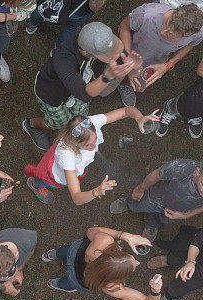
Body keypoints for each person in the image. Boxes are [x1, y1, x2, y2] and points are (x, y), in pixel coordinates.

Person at [22, 22, 140, 150]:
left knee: (81, 116)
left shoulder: (99, 40)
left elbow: (127, 62)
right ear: (85, 51)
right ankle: (32, 125)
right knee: (59, 123)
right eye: (105, 56)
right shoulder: (63, 58)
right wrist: (107, 76)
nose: (112, 56)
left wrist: (135, 66)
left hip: (84, 88)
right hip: (53, 93)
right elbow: (84, 93)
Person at [24, 108, 157, 206]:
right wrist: (96, 192)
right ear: (74, 143)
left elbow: (126, 111)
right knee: (48, 182)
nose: (94, 146)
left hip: (72, 168)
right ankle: (35, 184)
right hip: (55, 176)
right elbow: (76, 198)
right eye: (88, 145)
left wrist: (139, 118)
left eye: (95, 140)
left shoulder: (92, 122)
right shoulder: (67, 156)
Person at [42, 225, 164, 300]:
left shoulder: (104, 242)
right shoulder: (112, 287)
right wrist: (155, 290)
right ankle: (54, 284)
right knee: (68, 283)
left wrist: (123, 235)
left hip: (75, 253)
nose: (138, 262)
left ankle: (51, 255)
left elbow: (91, 231)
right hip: (78, 280)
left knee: (64, 251)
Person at [116, 3, 203, 107]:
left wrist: (168, 65)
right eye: (166, 23)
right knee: (112, 74)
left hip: (153, 63)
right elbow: (124, 27)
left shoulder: (198, 34)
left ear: (187, 35)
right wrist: (128, 58)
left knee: (138, 82)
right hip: (128, 53)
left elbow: (190, 45)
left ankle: (125, 84)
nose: (162, 32)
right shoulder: (146, 14)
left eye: (170, 34)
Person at [109, 158, 203, 241]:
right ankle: (128, 203)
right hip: (154, 198)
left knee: (162, 219)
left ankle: (151, 224)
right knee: (138, 204)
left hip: (177, 211)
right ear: (198, 172)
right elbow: (156, 175)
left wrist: (185, 215)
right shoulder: (180, 168)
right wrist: (140, 189)